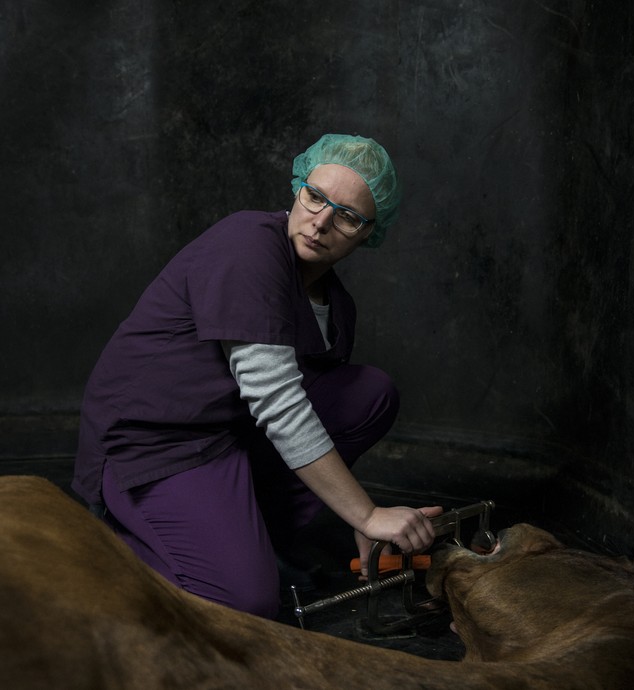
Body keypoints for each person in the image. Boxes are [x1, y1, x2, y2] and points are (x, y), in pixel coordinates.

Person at [72, 133, 440, 619]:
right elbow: (277, 400)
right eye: (315, 196)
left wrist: (363, 517)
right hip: (154, 444)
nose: (321, 221)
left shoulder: (335, 306)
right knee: (247, 602)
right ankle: (124, 544)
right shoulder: (247, 245)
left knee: (370, 394)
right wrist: (366, 514)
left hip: (228, 435)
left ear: (368, 233)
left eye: (347, 216)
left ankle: (242, 536)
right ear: (297, 187)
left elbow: (302, 404)